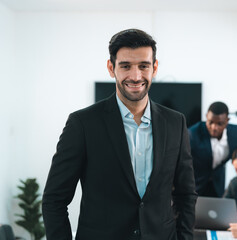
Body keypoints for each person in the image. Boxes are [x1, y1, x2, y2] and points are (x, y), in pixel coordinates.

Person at [42, 29, 197, 240]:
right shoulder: (83, 124)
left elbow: (186, 194)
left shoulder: (175, 123)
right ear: (111, 67)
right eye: (125, 66)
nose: (135, 76)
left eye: (144, 66)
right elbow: (54, 199)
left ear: (155, 67)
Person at [188, 102, 237, 197]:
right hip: (195, 187)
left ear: (227, 120)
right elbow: (181, 164)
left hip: (218, 186)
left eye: (220, 124)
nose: (214, 127)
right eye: (210, 122)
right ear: (206, 116)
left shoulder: (236, 132)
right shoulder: (192, 134)